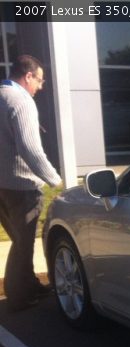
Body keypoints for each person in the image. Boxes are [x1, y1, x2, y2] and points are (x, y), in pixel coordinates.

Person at [0, 55, 62, 312]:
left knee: (18, 239)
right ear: (28, 76)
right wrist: (56, 180)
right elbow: (30, 150)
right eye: (40, 80)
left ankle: (31, 284)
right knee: (23, 244)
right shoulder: (21, 101)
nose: (41, 86)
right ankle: (19, 297)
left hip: (1, 186)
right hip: (21, 186)